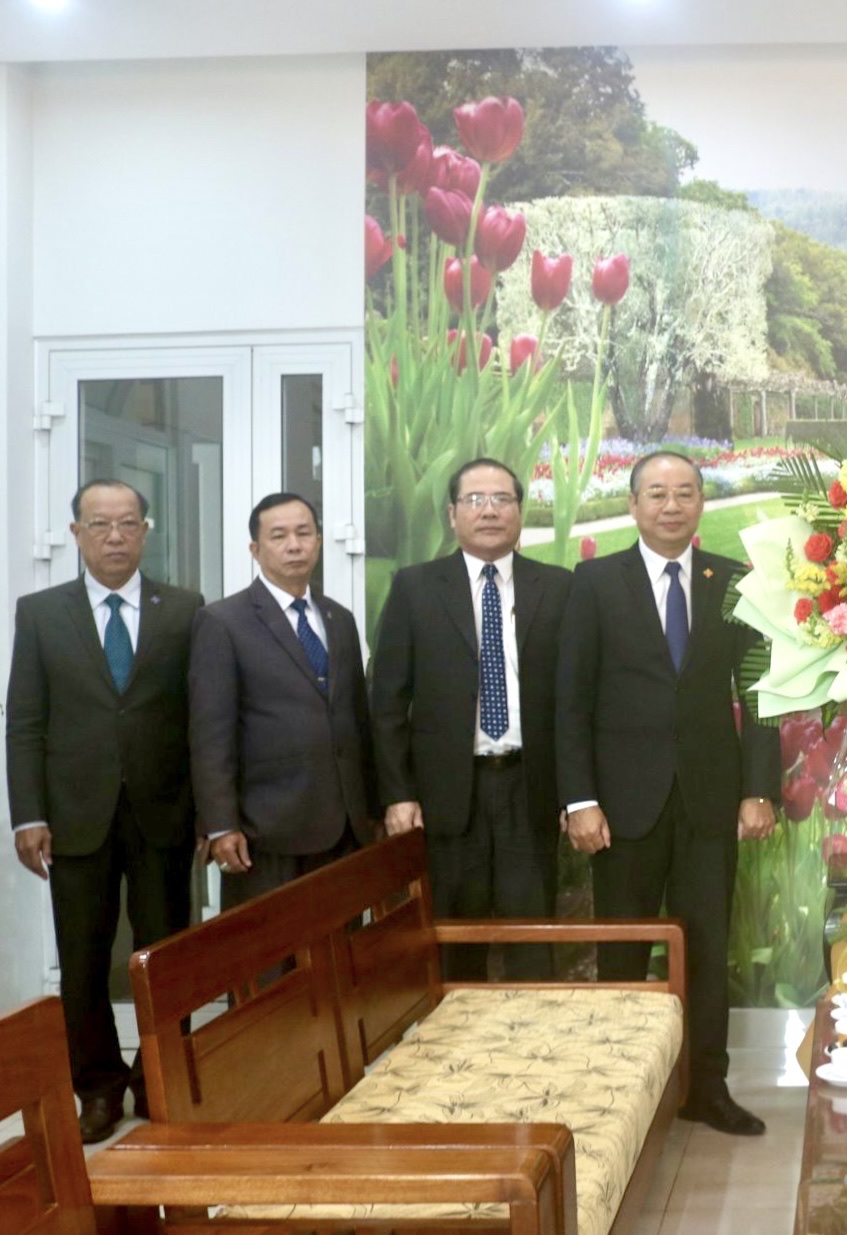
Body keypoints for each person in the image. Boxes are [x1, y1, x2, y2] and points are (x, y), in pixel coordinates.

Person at [557, 451, 782, 1137]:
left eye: (685, 493)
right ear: (632, 504)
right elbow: (569, 699)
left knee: (708, 947)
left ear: (700, 506)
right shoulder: (595, 582)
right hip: (621, 808)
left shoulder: (731, 582)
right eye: (656, 493)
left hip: (710, 801)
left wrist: (758, 788)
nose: (671, 505)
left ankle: (704, 1088)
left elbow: (759, 693)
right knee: (625, 953)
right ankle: (619, 1099)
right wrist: (579, 799)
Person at [6, 481, 202, 1142]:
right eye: (100, 523)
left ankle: (157, 1075)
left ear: (146, 530)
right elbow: (25, 721)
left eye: (127, 523)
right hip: (75, 814)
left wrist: (209, 810)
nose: (114, 535)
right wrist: (27, 813)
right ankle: (96, 1084)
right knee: (84, 958)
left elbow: (199, 718)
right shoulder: (39, 613)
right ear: (76, 533)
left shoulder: (183, 608)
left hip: (164, 810)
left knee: (163, 953)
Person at [371, 459, 572, 980]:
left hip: (530, 789)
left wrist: (576, 793)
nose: (489, 511)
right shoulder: (415, 589)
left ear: (520, 511)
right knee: (452, 944)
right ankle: (453, 1059)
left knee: (532, 941)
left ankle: (534, 1055)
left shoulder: (557, 587)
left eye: (502, 499)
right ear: (452, 513)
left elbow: (575, 703)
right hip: (446, 796)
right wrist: (398, 794)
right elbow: (388, 700)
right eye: (475, 500)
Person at [190, 493, 377, 906]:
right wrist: (221, 825)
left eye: (304, 533)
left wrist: (373, 811)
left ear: (320, 541)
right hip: (266, 832)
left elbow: (357, 720)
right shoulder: (223, 622)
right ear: (256, 550)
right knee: (272, 963)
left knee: (338, 955)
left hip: (344, 827)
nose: (295, 545)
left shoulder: (338, 618)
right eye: (279, 536)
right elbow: (210, 733)